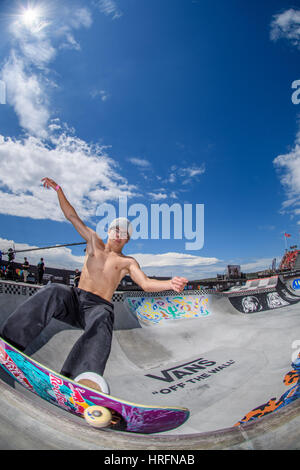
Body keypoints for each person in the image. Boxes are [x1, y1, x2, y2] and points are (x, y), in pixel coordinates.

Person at [1, 177, 188, 393]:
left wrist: (169, 283)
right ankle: (9, 341)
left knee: (103, 316)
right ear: (109, 232)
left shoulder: (128, 262)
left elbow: (145, 284)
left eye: (124, 234)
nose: (119, 235)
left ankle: (79, 379)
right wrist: (59, 190)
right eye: (116, 230)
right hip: (75, 299)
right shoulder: (92, 241)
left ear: (127, 240)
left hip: (97, 307)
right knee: (54, 289)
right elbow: (72, 216)